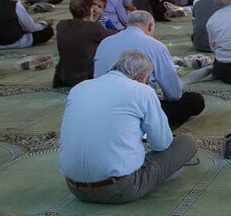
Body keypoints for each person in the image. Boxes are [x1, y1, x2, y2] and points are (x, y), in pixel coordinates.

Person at [59, 50, 197, 204]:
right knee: (187, 142)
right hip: (120, 189)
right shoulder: (142, 91)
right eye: (147, 81)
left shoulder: (78, 89)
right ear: (139, 78)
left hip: (75, 188)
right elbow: (161, 144)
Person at [93, 12, 204, 129]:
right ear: (150, 26)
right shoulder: (155, 46)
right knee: (195, 100)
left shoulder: (105, 42)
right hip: (138, 111)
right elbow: (174, 94)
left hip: (104, 108)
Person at [54, 0, 114, 89]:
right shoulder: (94, 28)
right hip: (84, 78)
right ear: (90, 11)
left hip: (63, 76)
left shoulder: (61, 25)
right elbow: (114, 36)